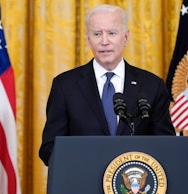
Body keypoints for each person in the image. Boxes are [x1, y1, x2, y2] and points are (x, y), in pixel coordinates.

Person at [39, 4, 175, 166]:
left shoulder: (151, 85)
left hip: (134, 185)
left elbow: (167, 146)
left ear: (125, 37)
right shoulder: (65, 86)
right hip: (82, 184)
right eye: (97, 34)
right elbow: (49, 147)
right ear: (88, 40)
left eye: (112, 33)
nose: (104, 41)